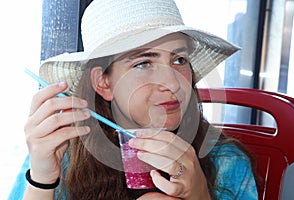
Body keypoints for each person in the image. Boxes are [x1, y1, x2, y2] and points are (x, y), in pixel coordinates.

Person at [10, 0, 258, 199]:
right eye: (143, 63)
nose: (174, 83)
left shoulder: (227, 162)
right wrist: (43, 180)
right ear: (103, 83)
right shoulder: (60, 154)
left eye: (179, 60)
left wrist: (199, 194)